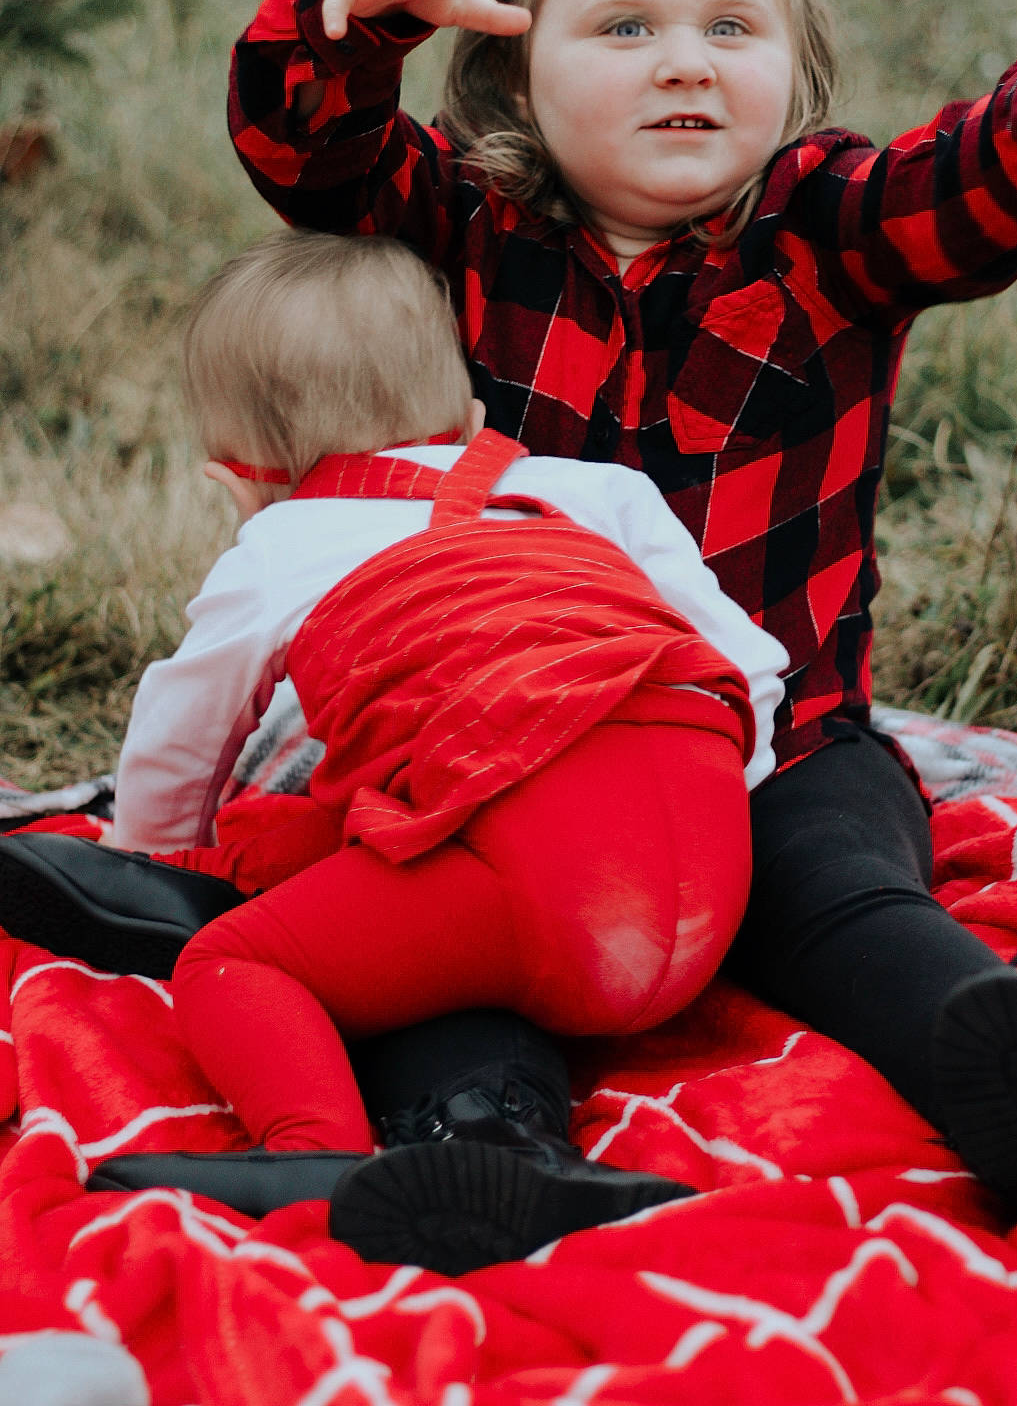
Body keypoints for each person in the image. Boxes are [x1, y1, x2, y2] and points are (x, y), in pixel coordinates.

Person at [2, 0, 1017, 1258]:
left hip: (784, 741)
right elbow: (311, 155)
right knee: (436, 944)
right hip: (500, 766)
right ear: (516, 73)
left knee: (842, 893)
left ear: (792, 73)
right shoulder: (468, 233)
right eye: (627, 26)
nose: (686, 59)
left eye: (732, 27)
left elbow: (970, 201)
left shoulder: (824, 230)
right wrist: (346, 19)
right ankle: (496, 1149)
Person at [0, 227, 787, 1270]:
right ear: (471, 413)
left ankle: (319, 1151)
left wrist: (150, 837)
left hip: (542, 895)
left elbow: (183, 725)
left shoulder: (279, 542)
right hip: (704, 899)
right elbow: (748, 666)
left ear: (242, 481)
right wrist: (721, 802)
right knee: (373, 829)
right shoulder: (595, 492)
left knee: (232, 962)